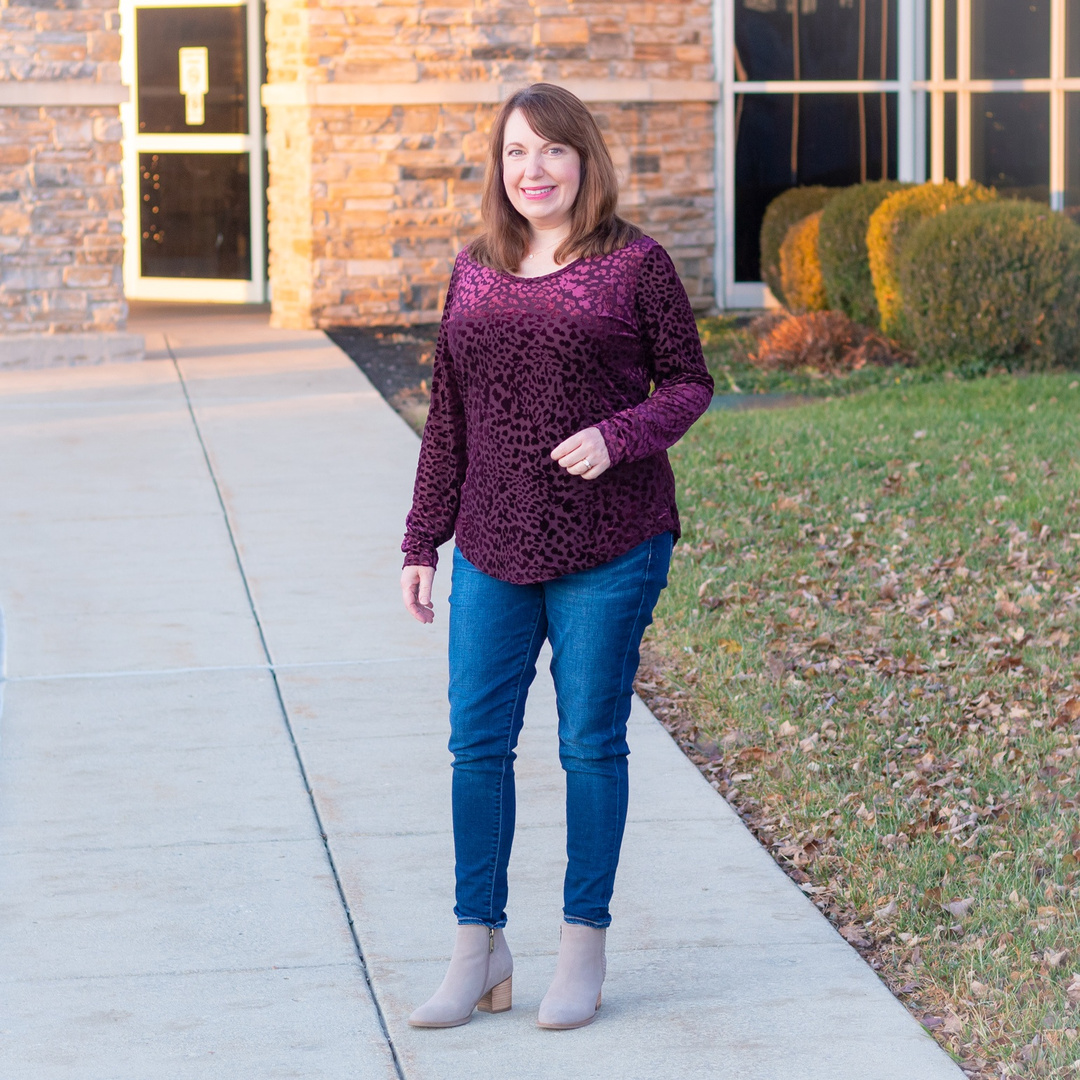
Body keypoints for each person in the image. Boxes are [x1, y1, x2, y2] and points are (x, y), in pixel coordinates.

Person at [399, 83, 714, 1031]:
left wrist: (621, 435)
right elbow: (449, 416)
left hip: (610, 543)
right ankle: (477, 947)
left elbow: (691, 384)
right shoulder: (474, 269)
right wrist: (423, 539)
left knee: (587, 746)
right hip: (494, 540)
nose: (531, 170)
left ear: (584, 159)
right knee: (476, 746)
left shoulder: (635, 265)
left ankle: (583, 947)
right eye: (513, 154)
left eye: (550, 151)